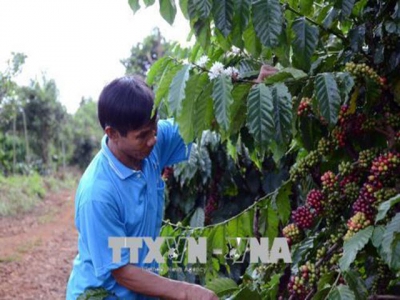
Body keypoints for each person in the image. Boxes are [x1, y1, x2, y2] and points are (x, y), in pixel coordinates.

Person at [66, 66, 277, 300]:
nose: (153, 140)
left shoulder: (152, 146)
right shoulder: (97, 193)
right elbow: (122, 271)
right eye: (143, 135)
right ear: (113, 134)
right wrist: (187, 291)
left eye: (154, 130)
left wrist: (252, 92)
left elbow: (199, 122)